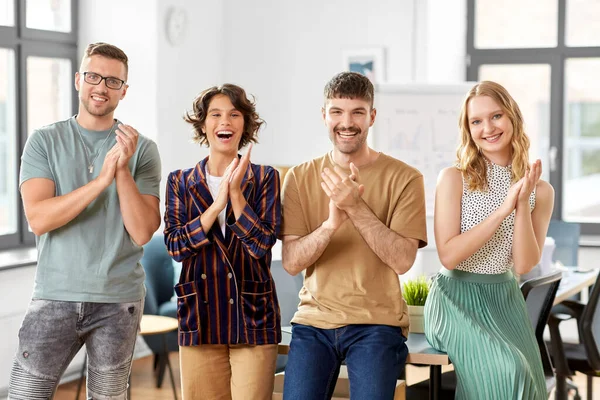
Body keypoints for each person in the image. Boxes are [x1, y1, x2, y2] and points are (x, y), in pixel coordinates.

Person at [9, 42, 161, 399]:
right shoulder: (44, 141)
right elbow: (38, 218)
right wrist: (99, 182)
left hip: (118, 300)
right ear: (78, 80)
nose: (101, 87)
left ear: (124, 91)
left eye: (112, 81)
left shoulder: (142, 149)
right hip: (54, 295)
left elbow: (141, 231)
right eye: (94, 76)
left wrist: (121, 170)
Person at [280, 72, 428, 400]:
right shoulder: (299, 178)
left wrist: (355, 208)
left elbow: (403, 261)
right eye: (337, 112)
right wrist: (331, 224)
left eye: (357, 112)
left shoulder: (405, 178)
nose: (346, 122)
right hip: (314, 321)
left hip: (377, 324)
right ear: (324, 116)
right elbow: (291, 262)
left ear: (372, 116)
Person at [424, 80, 554, 399]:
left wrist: (522, 203)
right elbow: (449, 256)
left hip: (505, 298)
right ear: (468, 129)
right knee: (511, 371)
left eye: (495, 116)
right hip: (455, 297)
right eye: (476, 121)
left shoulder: (541, 191)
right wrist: (502, 209)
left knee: (531, 384)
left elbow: (524, 263)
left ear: (512, 118)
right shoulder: (454, 178)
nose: (488, 128)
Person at [164, 84, 281, 400]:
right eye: (215, 114)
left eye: (234, 114)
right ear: (203, 125)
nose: (224, 122)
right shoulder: (180, 181)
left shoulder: (266, 178)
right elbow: (175, 246)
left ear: (245, 124)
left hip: (252, 318)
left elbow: (261, 244)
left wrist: (236, 195)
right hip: (201, 317)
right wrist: (215, 206)